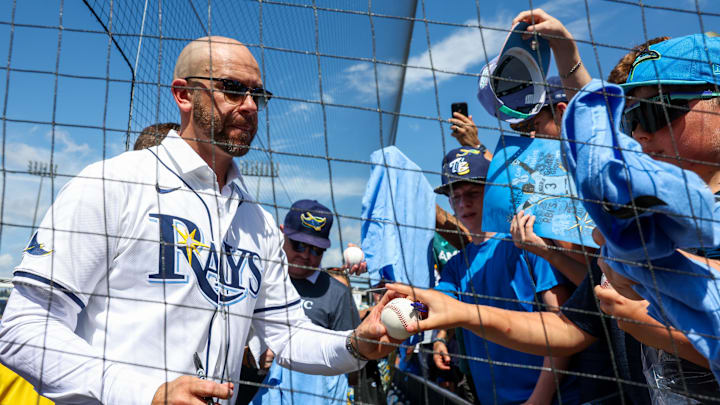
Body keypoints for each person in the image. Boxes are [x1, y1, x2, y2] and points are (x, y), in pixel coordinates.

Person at [0, 36, 400, 405]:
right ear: (183, 94)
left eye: (257, 94)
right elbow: (23, 329)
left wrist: (355, 344)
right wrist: (147, 394)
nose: (249, 105)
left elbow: (289, 335)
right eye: (232, 89)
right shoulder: (112, 183)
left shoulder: (257, 221)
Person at [432, 146, 577, 404]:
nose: (464, 203)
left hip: (550, 397)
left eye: (472, 193)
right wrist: (406, 309)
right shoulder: (456, 266)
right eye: (455, 196)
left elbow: (565, 327)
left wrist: (539, 400)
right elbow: (432, 308)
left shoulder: (528, 243)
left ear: (491, 192)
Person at [249, 200, 362, 404]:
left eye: (316, 250)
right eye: (299, 245)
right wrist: (251, 356)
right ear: (282, 233)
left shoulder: (337, 293)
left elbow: (353, 362)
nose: (306, 255)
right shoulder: (256, 279)